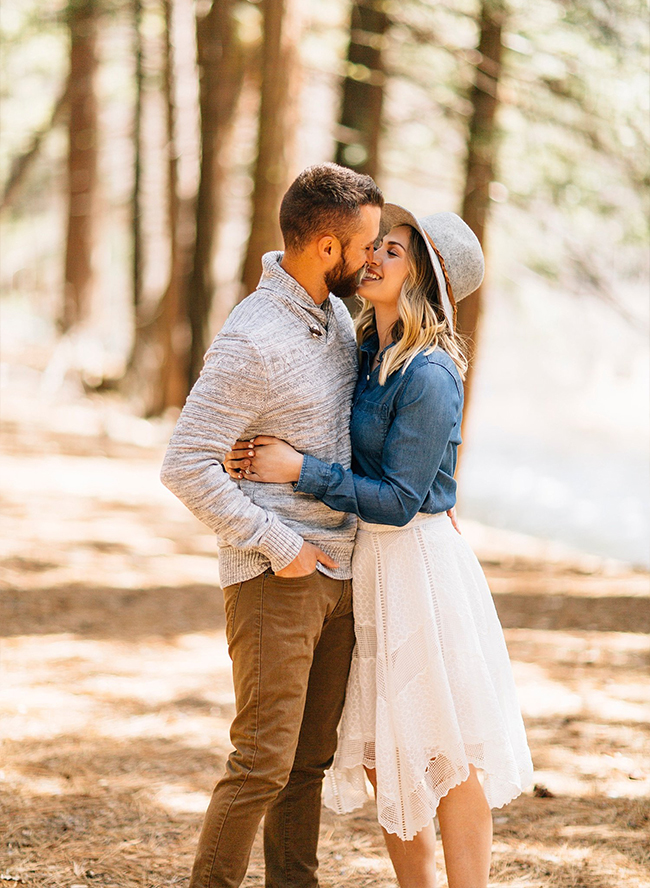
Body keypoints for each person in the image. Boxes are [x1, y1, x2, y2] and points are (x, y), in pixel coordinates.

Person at [225, 205, 534, 888]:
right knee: (379, 753)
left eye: (391, 252)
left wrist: (298, 470)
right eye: (378, 246)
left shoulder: (428, 374)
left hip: (416, 567)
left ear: (424, 277)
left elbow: (398, 499)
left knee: (444, 751)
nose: (372, 259)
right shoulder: (368, 351)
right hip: (370, 568)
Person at [160, 162, 384, 888]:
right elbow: (186, 464)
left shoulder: (337, 317)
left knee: (306, 766)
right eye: (367, 245)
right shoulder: (253, 337)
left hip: (341, 571)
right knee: (261, 762)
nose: (373, 258)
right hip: (276, 578)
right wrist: (280, 546)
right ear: (327, 248)